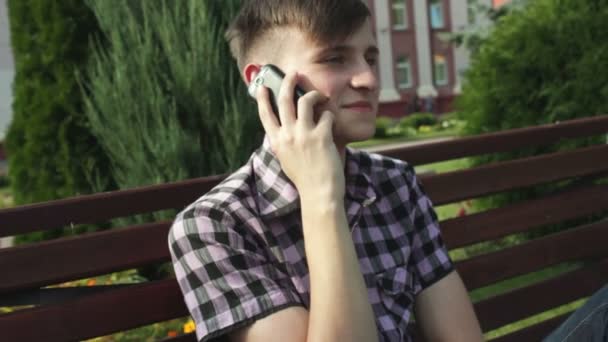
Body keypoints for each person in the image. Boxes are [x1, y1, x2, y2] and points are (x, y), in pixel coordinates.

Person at [168, 1, 607, 341]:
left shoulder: (395, 183)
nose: (369, 79)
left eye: (371, 57)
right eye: (336, 58)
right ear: (262, 81)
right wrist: (322, 196)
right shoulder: (213, 228)